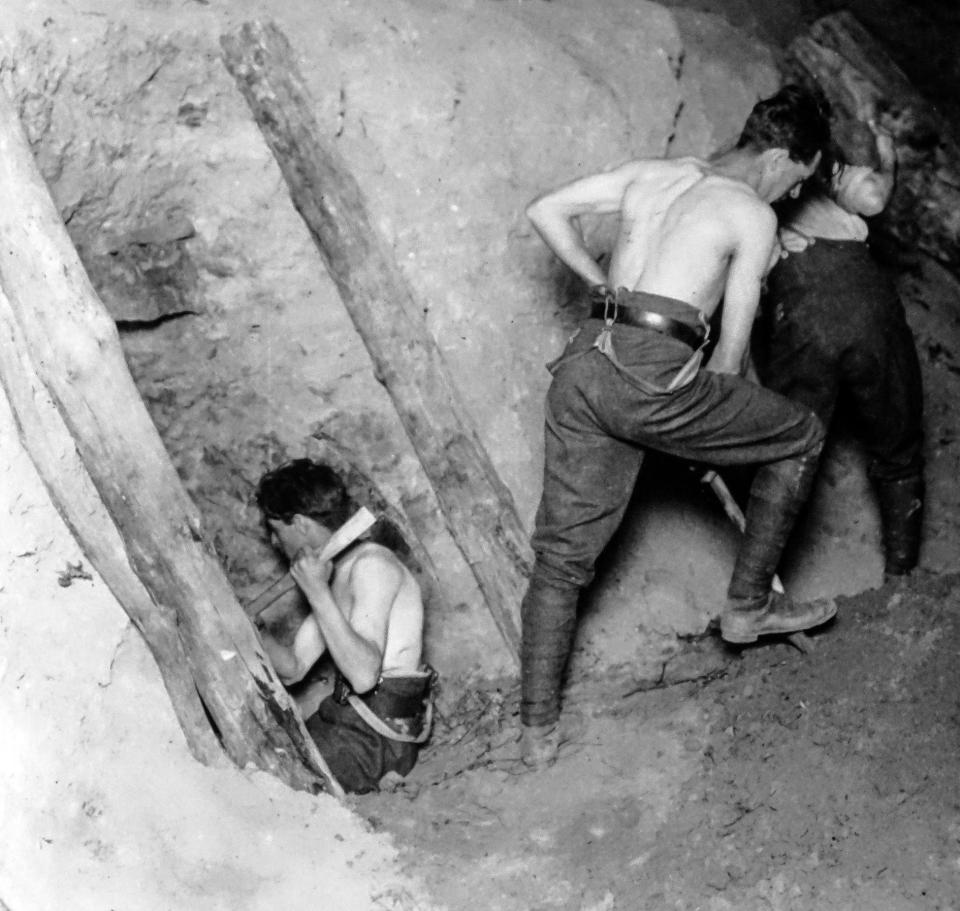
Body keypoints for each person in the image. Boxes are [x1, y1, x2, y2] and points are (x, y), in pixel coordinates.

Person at [520, 85, 837, 767]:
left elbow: (544, 210)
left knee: (561, 559)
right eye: (797, 181)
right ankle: (749, 605)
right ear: (782, 157)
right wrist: (713, 430)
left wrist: (598, 287)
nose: (788, 197)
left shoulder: (656, 172)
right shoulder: (750, 214)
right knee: (802, 434)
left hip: (584, 362)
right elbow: (728, 358)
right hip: (655, 374)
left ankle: (536, 732)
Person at [760, 118, 925, 579]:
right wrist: (887, 158)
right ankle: (902, 580)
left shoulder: (747, 175)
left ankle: (753, 589)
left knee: (787, 446)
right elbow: (873, 197)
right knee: (898, 441)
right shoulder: (825, 158)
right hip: (862, 300)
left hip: (801, 309)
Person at [254, 458, 434, 794]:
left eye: (278, 531)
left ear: (301, 524)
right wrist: (254, 631)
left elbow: (364, 676)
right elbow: (293, 669)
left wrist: (318, 593)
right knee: (264, 760)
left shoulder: (372, 565)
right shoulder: (335, 570)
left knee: (274, 786)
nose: (277, 544)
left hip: (377, 735)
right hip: (347, 720)